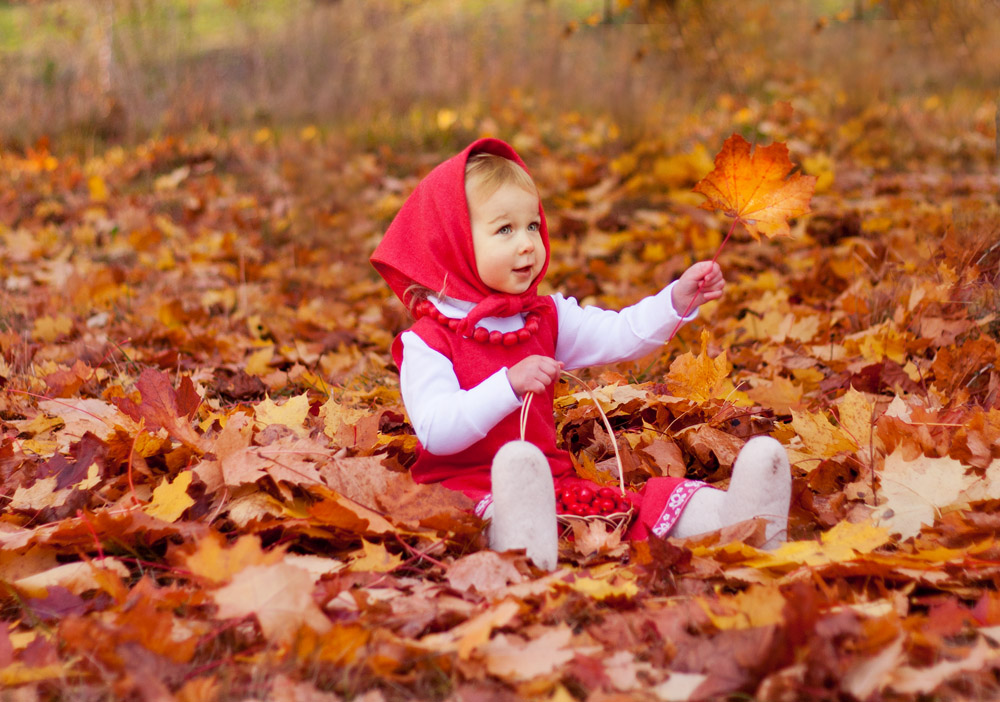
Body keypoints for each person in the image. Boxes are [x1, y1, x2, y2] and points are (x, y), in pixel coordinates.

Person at [371, 138, 790, 569]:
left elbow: (620, 333)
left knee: (626, 508)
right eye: (504, 230)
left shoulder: (542, 317)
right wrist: (507, 385)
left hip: (549, 483)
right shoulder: (429, 341)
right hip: (463, 491)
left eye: (533, 226)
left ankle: (740, 521)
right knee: (513, 493)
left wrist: (675, 301)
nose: (528, 244)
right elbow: (437, 430)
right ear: (451, 241)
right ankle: (525, 552)